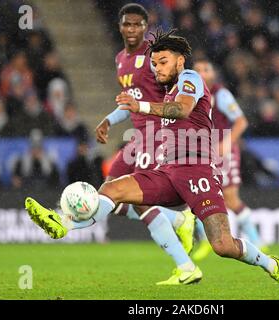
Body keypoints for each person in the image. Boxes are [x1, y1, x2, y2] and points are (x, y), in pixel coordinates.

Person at [25, 28, 279, 297]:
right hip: (167, 172)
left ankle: (273, 265)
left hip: (198, 171)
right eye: (154, 63)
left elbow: (182, 110)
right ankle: (64, 223)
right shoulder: (165, 92)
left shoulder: (190, 79)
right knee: (112, 189)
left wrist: (141, 107)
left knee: (223, 245)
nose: (157, 68)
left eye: (163, 62)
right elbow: (146, 108)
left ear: (180, 61)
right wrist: (117, 117)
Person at [39, 4, 198, 285]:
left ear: (146, 26)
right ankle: (178, 224)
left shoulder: (154, 57)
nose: (132, 29)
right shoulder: (120, 59)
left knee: (135, 200)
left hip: (159, 135)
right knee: (110, 195)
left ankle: (64, 222)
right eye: (127, 24)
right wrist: (108, 120)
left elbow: (175, 89)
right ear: (120, 26)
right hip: (138, 138)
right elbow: (130, 102)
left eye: (138, 24)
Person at [191, 58, 267, 261]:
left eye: (206, 69)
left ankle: (257, 242)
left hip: (223, 152)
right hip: (201, 152)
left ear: (213, 74)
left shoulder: (220, 94)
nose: (201, 73)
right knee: (197, 195)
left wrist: (227, 143)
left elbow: (241, 121)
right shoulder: (188, 95)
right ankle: (206, 242)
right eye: (197, 70)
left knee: (231, 198)